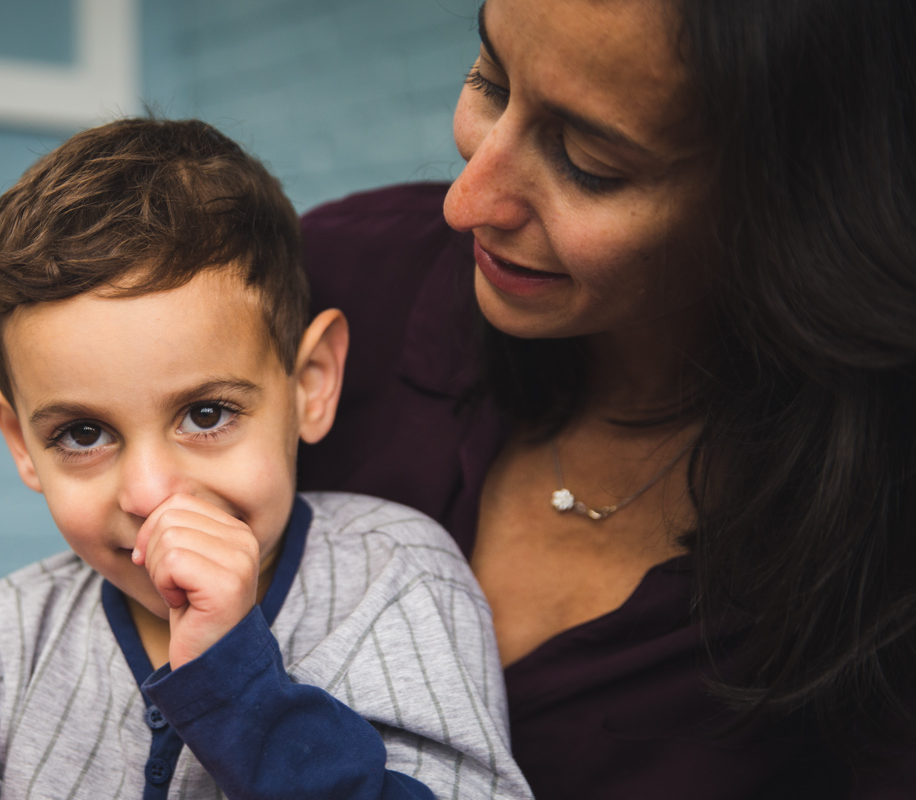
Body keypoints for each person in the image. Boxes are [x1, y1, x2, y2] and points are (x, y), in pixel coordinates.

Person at [298, 0, 916, 797]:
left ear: (805, 201)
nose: (466, 203)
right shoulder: (342, 286)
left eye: (589, 161)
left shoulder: (885, 544)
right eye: (489, 81)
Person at [0, 118, 530, 800]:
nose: (148, 492)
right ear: (20, 440)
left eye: (206, 415)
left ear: (310, 384)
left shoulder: (396, 578)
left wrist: (237, 684)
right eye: (83, 434)